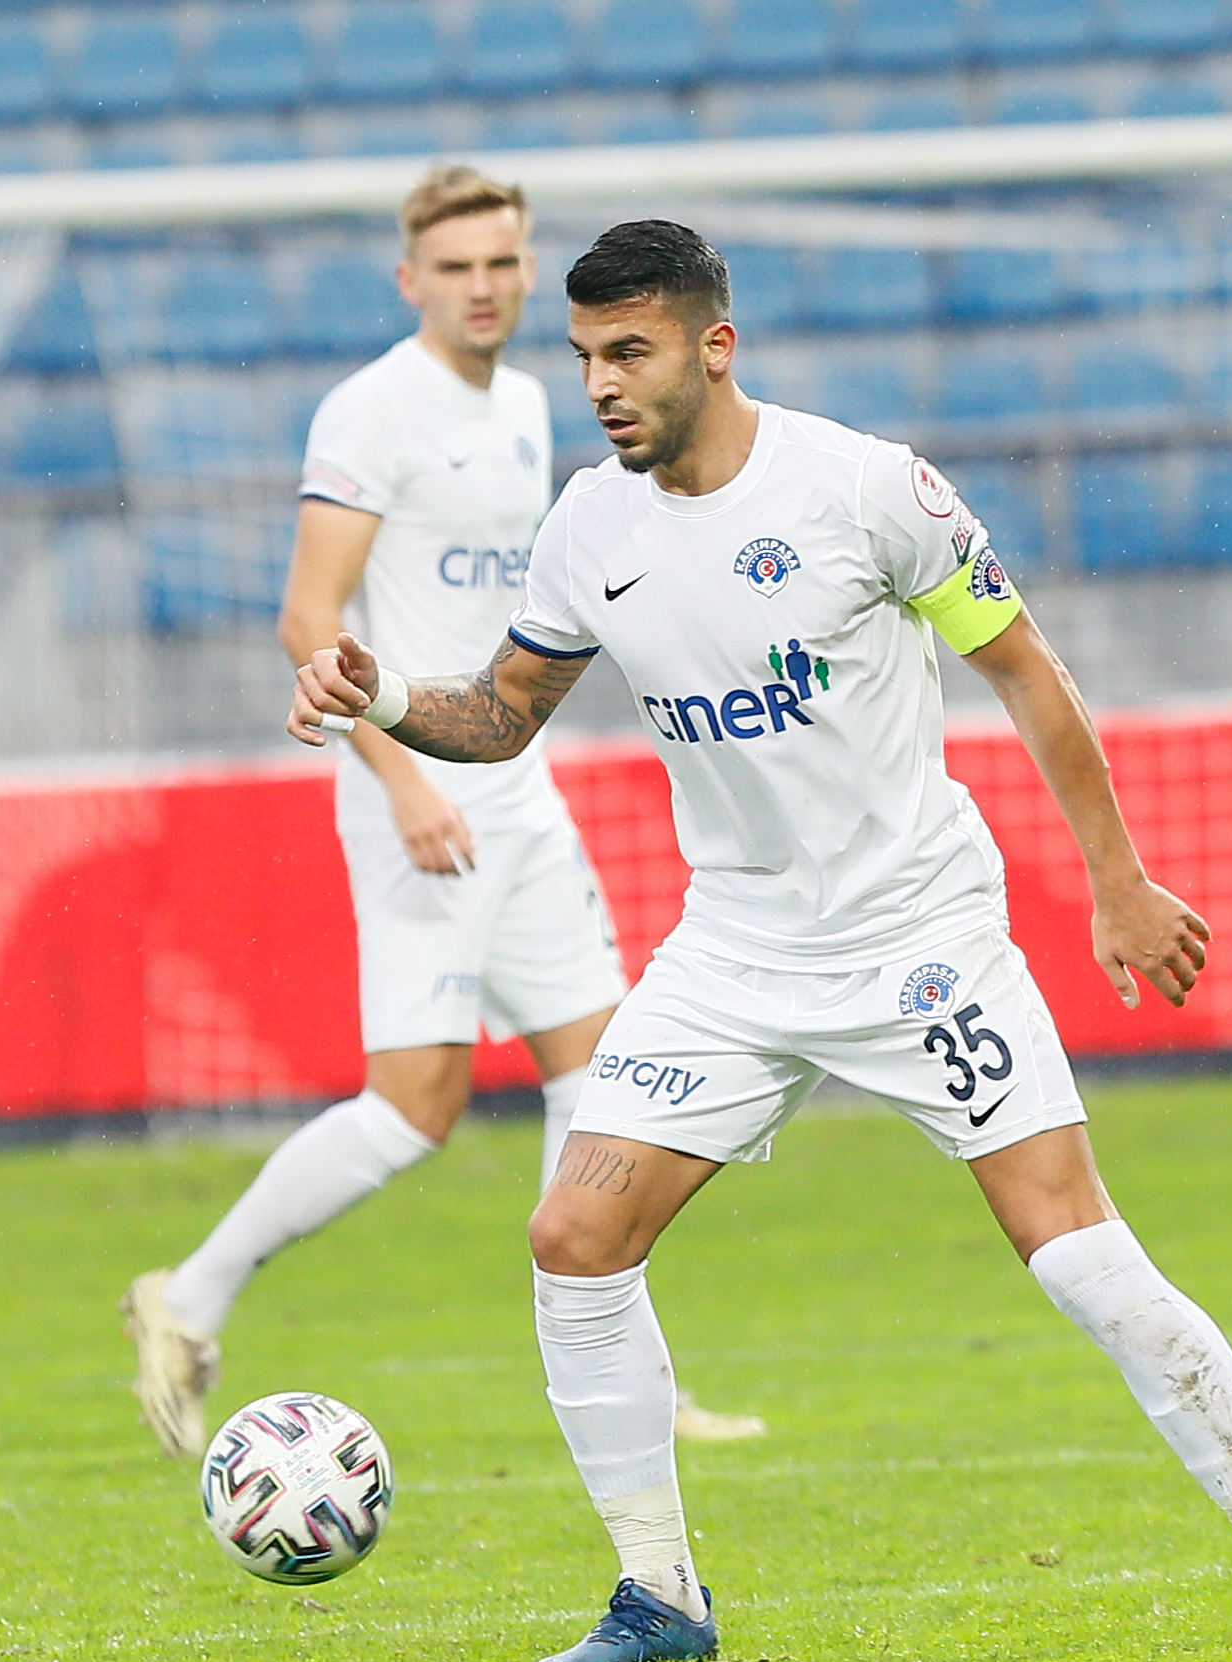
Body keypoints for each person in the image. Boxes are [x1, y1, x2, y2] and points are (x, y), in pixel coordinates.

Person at [290, 220, 1232, 1662]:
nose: (601, 384)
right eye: (586, 355)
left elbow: (1026, 672)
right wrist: (379, 695)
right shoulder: (589, 525)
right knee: (572, 1238)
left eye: (631, 352)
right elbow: (499, 713)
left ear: (713, 346)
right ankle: (659, 1596)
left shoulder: (869, 490)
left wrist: (1116, 881)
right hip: (735, 952)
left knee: (1070, 1246)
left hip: (918, 936)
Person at [120, 170, 764, 1461]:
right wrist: (403, 781)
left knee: (604, 1076)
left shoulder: (527, 404)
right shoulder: (371, 410)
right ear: (410, 279)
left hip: (515, 789)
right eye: (456, 265)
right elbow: (309, 619)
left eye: (500, 262)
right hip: (417, 796)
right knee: (416, 1104)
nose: (482, 285)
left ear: (525, 271)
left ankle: (624, 1378)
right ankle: (186, 1295)